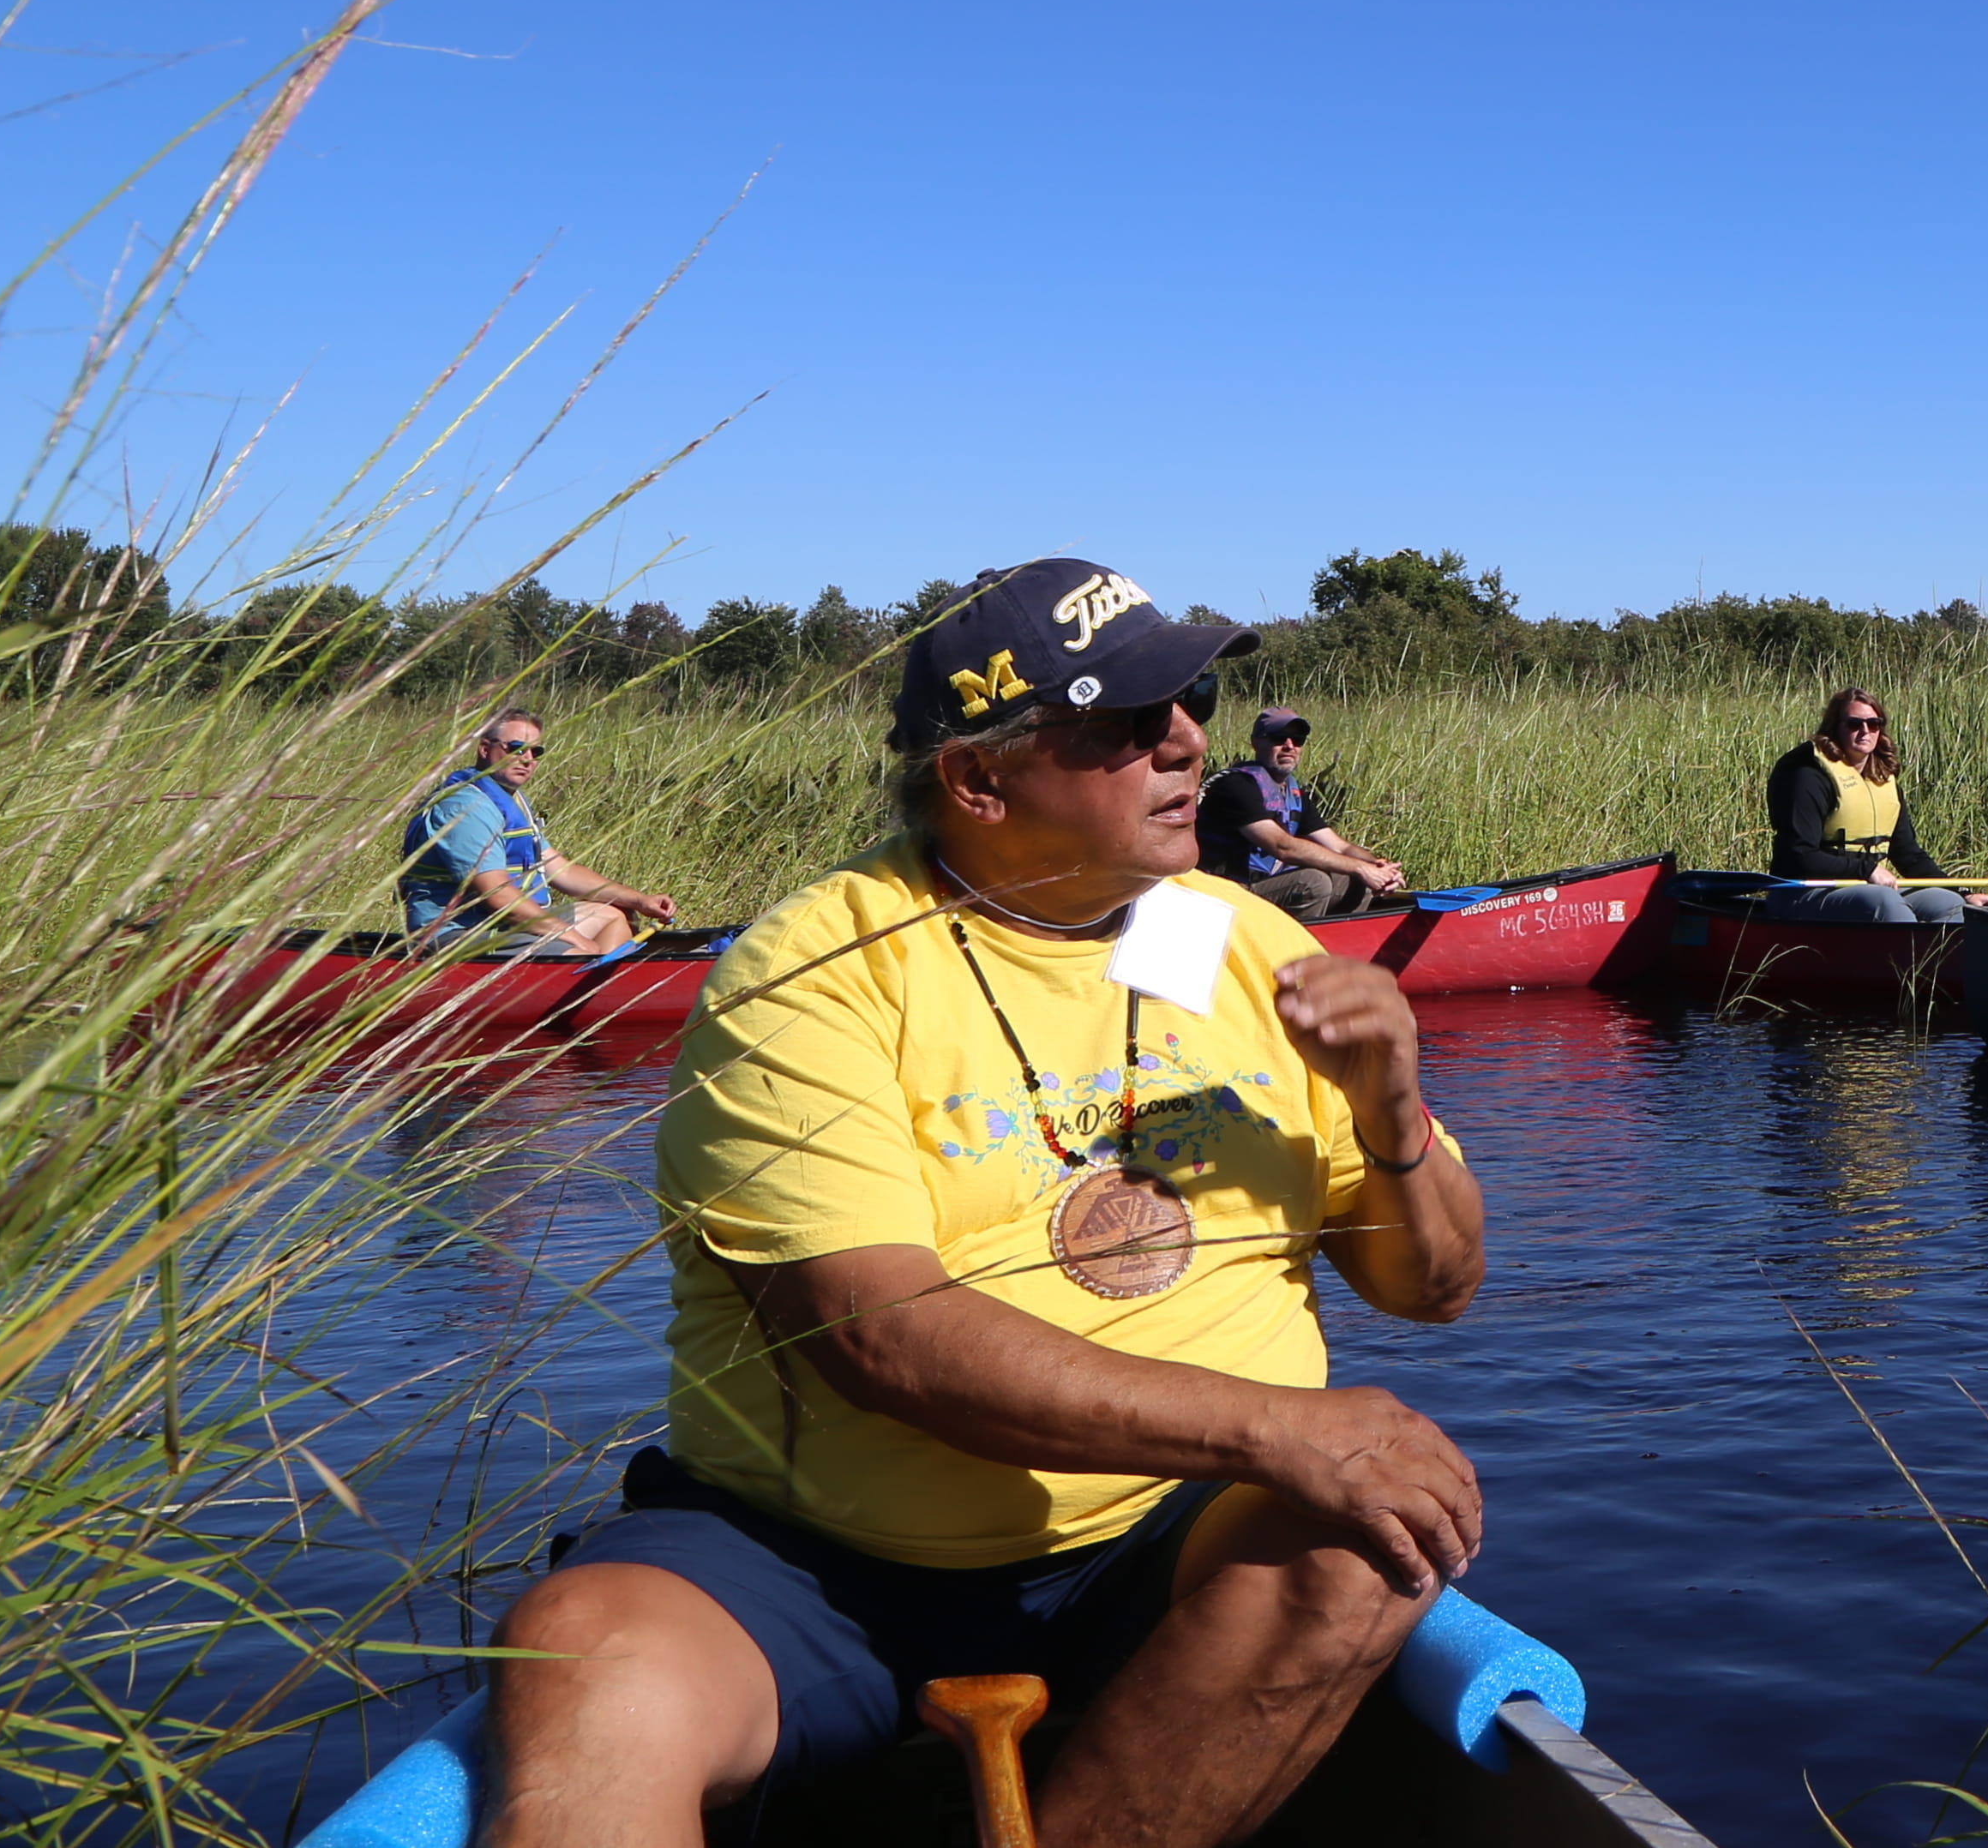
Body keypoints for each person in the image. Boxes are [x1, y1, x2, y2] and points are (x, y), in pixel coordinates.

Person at [472, 557, 1485, 1848]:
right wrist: (1274, 1432)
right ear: (981, 781)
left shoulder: (1246, 944)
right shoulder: (817, 971)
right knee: (583, 1658)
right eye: (1127, 719)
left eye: (1194, 699)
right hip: (815, 1564)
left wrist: (1394, 1111)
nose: (1186, 740)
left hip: (1157, 1544)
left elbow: (1436, 1290)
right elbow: (878, 1335)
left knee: (1363, 1547)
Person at [398, 708, 679, 955]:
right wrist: (573, 937)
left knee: (616, 914)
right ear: (485, 749)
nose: (527, 758)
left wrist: (640, 900)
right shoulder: (464, 806)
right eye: (517, 748)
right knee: (576, 952)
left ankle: (598, 1001)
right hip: (460, 933)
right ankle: (583, 990)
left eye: (535, 752)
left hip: (502, 925)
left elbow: (562, 871)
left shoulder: (511, 800)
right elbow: (498, 895)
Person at [1760, 688, 1967, 925]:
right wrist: (1866, 869)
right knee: (1885, 902)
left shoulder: (1883, 779)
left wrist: (1963, 893)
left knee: (1950, 905)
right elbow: (1800, 855)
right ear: (1834, 728)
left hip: (1865, 889)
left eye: (1874, 723)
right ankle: (1904, 961)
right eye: (1854, 724)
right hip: (1804, 893)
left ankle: (1944, 961)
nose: (1865, 731)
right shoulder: (1807, 776)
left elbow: (1909, 856)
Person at [1193, 707, 1409, 921]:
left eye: (1297, 739)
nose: (1289, 746)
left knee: (1358, 881)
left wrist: (1378, 867)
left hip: (1263, 883)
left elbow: (1340, 847)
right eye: (1279, 738)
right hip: (1225, 890)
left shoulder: (1293, 793)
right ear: (1256, 742)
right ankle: (1294, 952)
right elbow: (1282, 847)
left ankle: (1336, 947)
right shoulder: (1236, 785)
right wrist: (1360, 867)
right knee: (1313, 882)